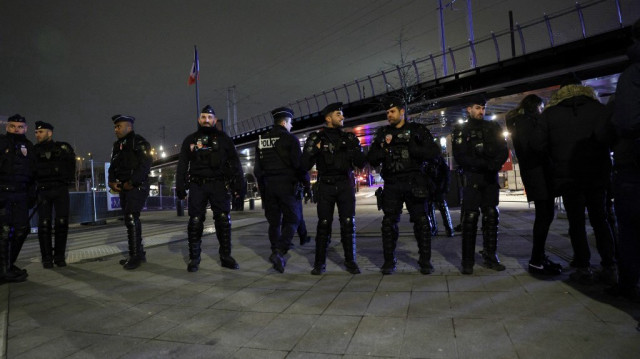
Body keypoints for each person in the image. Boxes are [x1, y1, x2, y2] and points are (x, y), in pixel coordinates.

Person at [535, 82, 616, 285]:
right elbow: (611, 137)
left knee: (576, 222)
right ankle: (609, 265)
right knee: (601, 219)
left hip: (568, 176)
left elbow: (537, 145)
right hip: (597, 175)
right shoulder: (598, 108)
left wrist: (555, 158)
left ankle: (583, 266)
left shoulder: (550, 114)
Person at [367, 99, 440, 275]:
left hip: (414, 182)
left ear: (402, 112)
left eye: (392, 111)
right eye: (387, 113)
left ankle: (425, 261)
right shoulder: (383, 133)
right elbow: (372, 158)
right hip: (392, 184)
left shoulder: (417, 130)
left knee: (422, 223)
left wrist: (415, 149)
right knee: (388, 223)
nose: (389, 115)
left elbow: (434, 152)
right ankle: (389, 262)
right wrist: (384, 150)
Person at [176, 105, 245, 272]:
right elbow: (183, 164)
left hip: (219, 184)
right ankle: (194, 258)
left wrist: (239, 187)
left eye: (209, 117)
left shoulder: (224, 139)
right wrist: (180, 186)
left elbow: (235, 163)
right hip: (197, 185)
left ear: (215, 120)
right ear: (199, 120)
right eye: (203, 117)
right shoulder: (190, 140)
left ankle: (226, 256)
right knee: (195, 221)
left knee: (223, 219)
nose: (206, 120)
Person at [301, 102, 366, 275]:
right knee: (323, 224)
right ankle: (319, 263)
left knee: (348, 223)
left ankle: (350, 261)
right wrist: (314, 151)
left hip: (345, 184)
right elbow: (304, 164)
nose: (342, 117)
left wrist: (355, 149)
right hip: (326, 186)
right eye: (338, 114)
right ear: (328, 118)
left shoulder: (349, 138)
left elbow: (361, 162)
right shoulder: (317, 138)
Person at [505, 95, 562, 275]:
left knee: (544, 215)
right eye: (541, 107)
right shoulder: (529, 122)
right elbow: (537, 147)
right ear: (536, 106)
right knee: (544, 215)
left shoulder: (519, 122)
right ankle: (537, 260)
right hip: (540, 174)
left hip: (534, 173)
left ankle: (539, 257)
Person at [452, 96, 509, 275]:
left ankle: (490, 256)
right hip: (473, 178)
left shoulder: (492, 127)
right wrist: (481, 165)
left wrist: (494, 164)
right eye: (477, 108)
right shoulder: (462, 129)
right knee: (470, 219)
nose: (481, 111)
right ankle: (467, 260)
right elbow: (460, 156)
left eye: (483, 108)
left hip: (490, 178)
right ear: (469, 109)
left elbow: (503, 149)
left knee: (491, 217)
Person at [605, 18, 640, 302]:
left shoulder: (633, 74)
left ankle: (628, 286)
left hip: (634, 166)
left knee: (630, 231)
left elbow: (626, 121)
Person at [254, 107, 304, 273]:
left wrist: (263, 188)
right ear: (284, 122)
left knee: (274, 222)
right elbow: (298, 166)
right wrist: (306, 184)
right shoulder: (291, 139)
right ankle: (279, 251)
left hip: (269, 186)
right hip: (286, 185)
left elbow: (257, 169)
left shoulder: (261, 140)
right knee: (293, 219)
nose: (291, 127)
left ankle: (275, 252)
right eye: (290, 123)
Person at [107, 114, 152, 270]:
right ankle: (138, 253)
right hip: (124, 187)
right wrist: (111, 181)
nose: (115, 130)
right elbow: (113, 166)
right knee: (129, 219)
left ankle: (135, 257)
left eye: (119, 126)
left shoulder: (139, 142)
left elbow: (145, 165)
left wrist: (132, 182)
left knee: (132, 217)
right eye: (115, 127)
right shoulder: (117, 145)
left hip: (136, 186)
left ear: (129, 127)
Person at [33, 121, 76, 268]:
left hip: (60, 189)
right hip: (43, 190)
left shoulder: (63, 148)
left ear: (49, 133)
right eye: (36, 132)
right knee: (44, 224)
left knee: (61, 223)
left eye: (41, 132)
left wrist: (65, 180)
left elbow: (71, 168)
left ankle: (59, 257)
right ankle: (46, 258)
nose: (37, 134)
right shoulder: (33, 150)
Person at [0, 114, 35, 283]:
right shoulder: (2, 142)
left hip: (21, 194)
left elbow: (33, 172)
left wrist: (33, 194)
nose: (16, 129)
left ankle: (8, 264)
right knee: (4, 232)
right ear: (7, 127)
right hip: (4, 193)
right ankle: (3, 270)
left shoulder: (29, 146)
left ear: (25, 129)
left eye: (20, 127)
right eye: (13, 126)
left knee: (22, 229)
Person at [425, 155, 455, 237]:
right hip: (433, 186)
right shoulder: (431, 159)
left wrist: (445, 186)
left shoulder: (437, 159)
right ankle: (438, 229)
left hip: (438, 185)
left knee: (439, 206)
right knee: (432, 207)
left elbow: (446, 173)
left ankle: (446, 229)